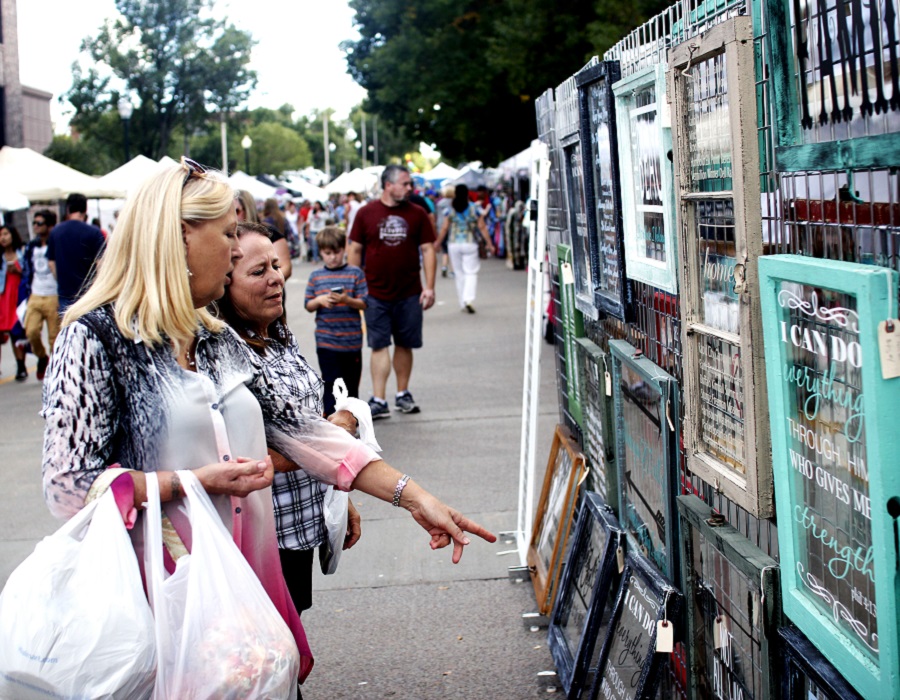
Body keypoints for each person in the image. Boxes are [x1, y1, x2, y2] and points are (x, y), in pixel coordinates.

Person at [41, 159, 494, 685]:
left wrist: (416, 498)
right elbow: (69, 488)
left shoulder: (214, 338)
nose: (237, 251)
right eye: (229, 235)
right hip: (166, 605)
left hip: (247, 591)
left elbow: (307, 435)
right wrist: (190, 483)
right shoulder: (95, 339)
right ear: (180, 238)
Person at [217, 221, 362, 614]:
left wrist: (336, 494)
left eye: (276, 266)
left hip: (300, 525)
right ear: (223, 284)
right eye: (258, 272)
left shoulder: (278, 335)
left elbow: (306, 417)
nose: (276, 280)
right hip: (263, 536)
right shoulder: (224, 354)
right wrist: (334, 437)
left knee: (291, 639)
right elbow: (240, 454)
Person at [348, 164, 437, 419]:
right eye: (406, 183)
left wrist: (429, 287)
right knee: (378, 345)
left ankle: (403, 393)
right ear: (389, 185)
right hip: (373, 292)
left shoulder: (417, 213)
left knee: (405, 344)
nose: (411, 188)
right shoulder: (366, 213)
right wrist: (353, 284)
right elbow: (354, 249)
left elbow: (429, 249)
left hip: (410, 291)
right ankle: (378, 399)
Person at [305, 226, 367, 416]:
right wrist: (320, 300)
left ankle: (351, 420)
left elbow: (364, 303)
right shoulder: (316, 276)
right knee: (331, 382)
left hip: (351, 342)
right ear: (321, 252)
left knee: (350, 382)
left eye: (337, 252)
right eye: (327, 253)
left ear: (344, 249)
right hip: (326, 341)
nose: (333, 257)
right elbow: (308, 304)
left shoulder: (355, 273)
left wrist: (346, 300)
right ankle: (332, 420)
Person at [436, 184, 495, 313]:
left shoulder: (450, 209)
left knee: (459, 273)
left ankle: (462, 302)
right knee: (471, 272)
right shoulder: (475, 208)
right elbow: (482, 227)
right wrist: (489, 244)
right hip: (470, 243)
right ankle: (469, 299)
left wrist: (438, 242)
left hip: (453, 244)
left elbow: (445, 228)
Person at [46, 193, 106, 313]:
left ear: (68, 209)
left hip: (65, 293)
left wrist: (61, 279)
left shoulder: (56, 232)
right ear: (85, 209)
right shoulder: (95, 232)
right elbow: (101, 264)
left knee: (68, 328)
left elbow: (51, 263)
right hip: (89, 294)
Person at [21, 209, 59, 380]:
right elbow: (27, 269)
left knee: (54, 338)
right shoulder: (31, 246)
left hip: (54, 294)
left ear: (49, 225)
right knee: (31, 332)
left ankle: (56, 371)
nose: (35, 226)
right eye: (34, 223)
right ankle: (42, 357)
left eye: (39, 223)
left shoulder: (57, 242)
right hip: (35, 294)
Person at [0, 225, 27, 380]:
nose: (3, 238)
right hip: (3, 297)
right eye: (0, 235)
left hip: (18, 297)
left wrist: (17, 270)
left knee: (16, 332)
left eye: (5, 234)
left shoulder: (21, 253)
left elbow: (28, 272)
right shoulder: (0, 257)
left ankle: (21, 366)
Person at [262, 197, 293, 281]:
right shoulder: (283, 218)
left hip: (271, 250)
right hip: (283, 247)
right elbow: (290, 233)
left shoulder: (266, 221)